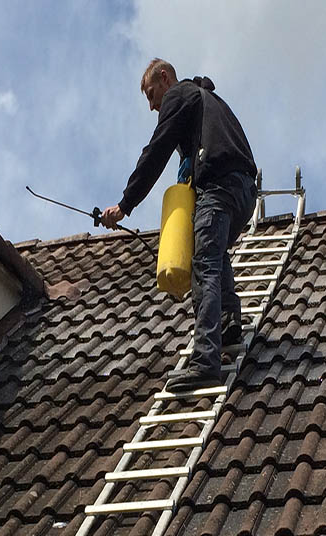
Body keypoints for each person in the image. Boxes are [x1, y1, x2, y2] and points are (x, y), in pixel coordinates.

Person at [101, 58, 257, 393]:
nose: (152, 105)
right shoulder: (207, 101)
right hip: (243, 192)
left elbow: (156, 150)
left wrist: (125, 205)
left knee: (204, 265)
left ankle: (204, 361)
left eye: (151, 94)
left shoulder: (179, 95)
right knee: (213, 255)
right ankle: (229, 325)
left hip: (217, 187)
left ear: (164, 77)